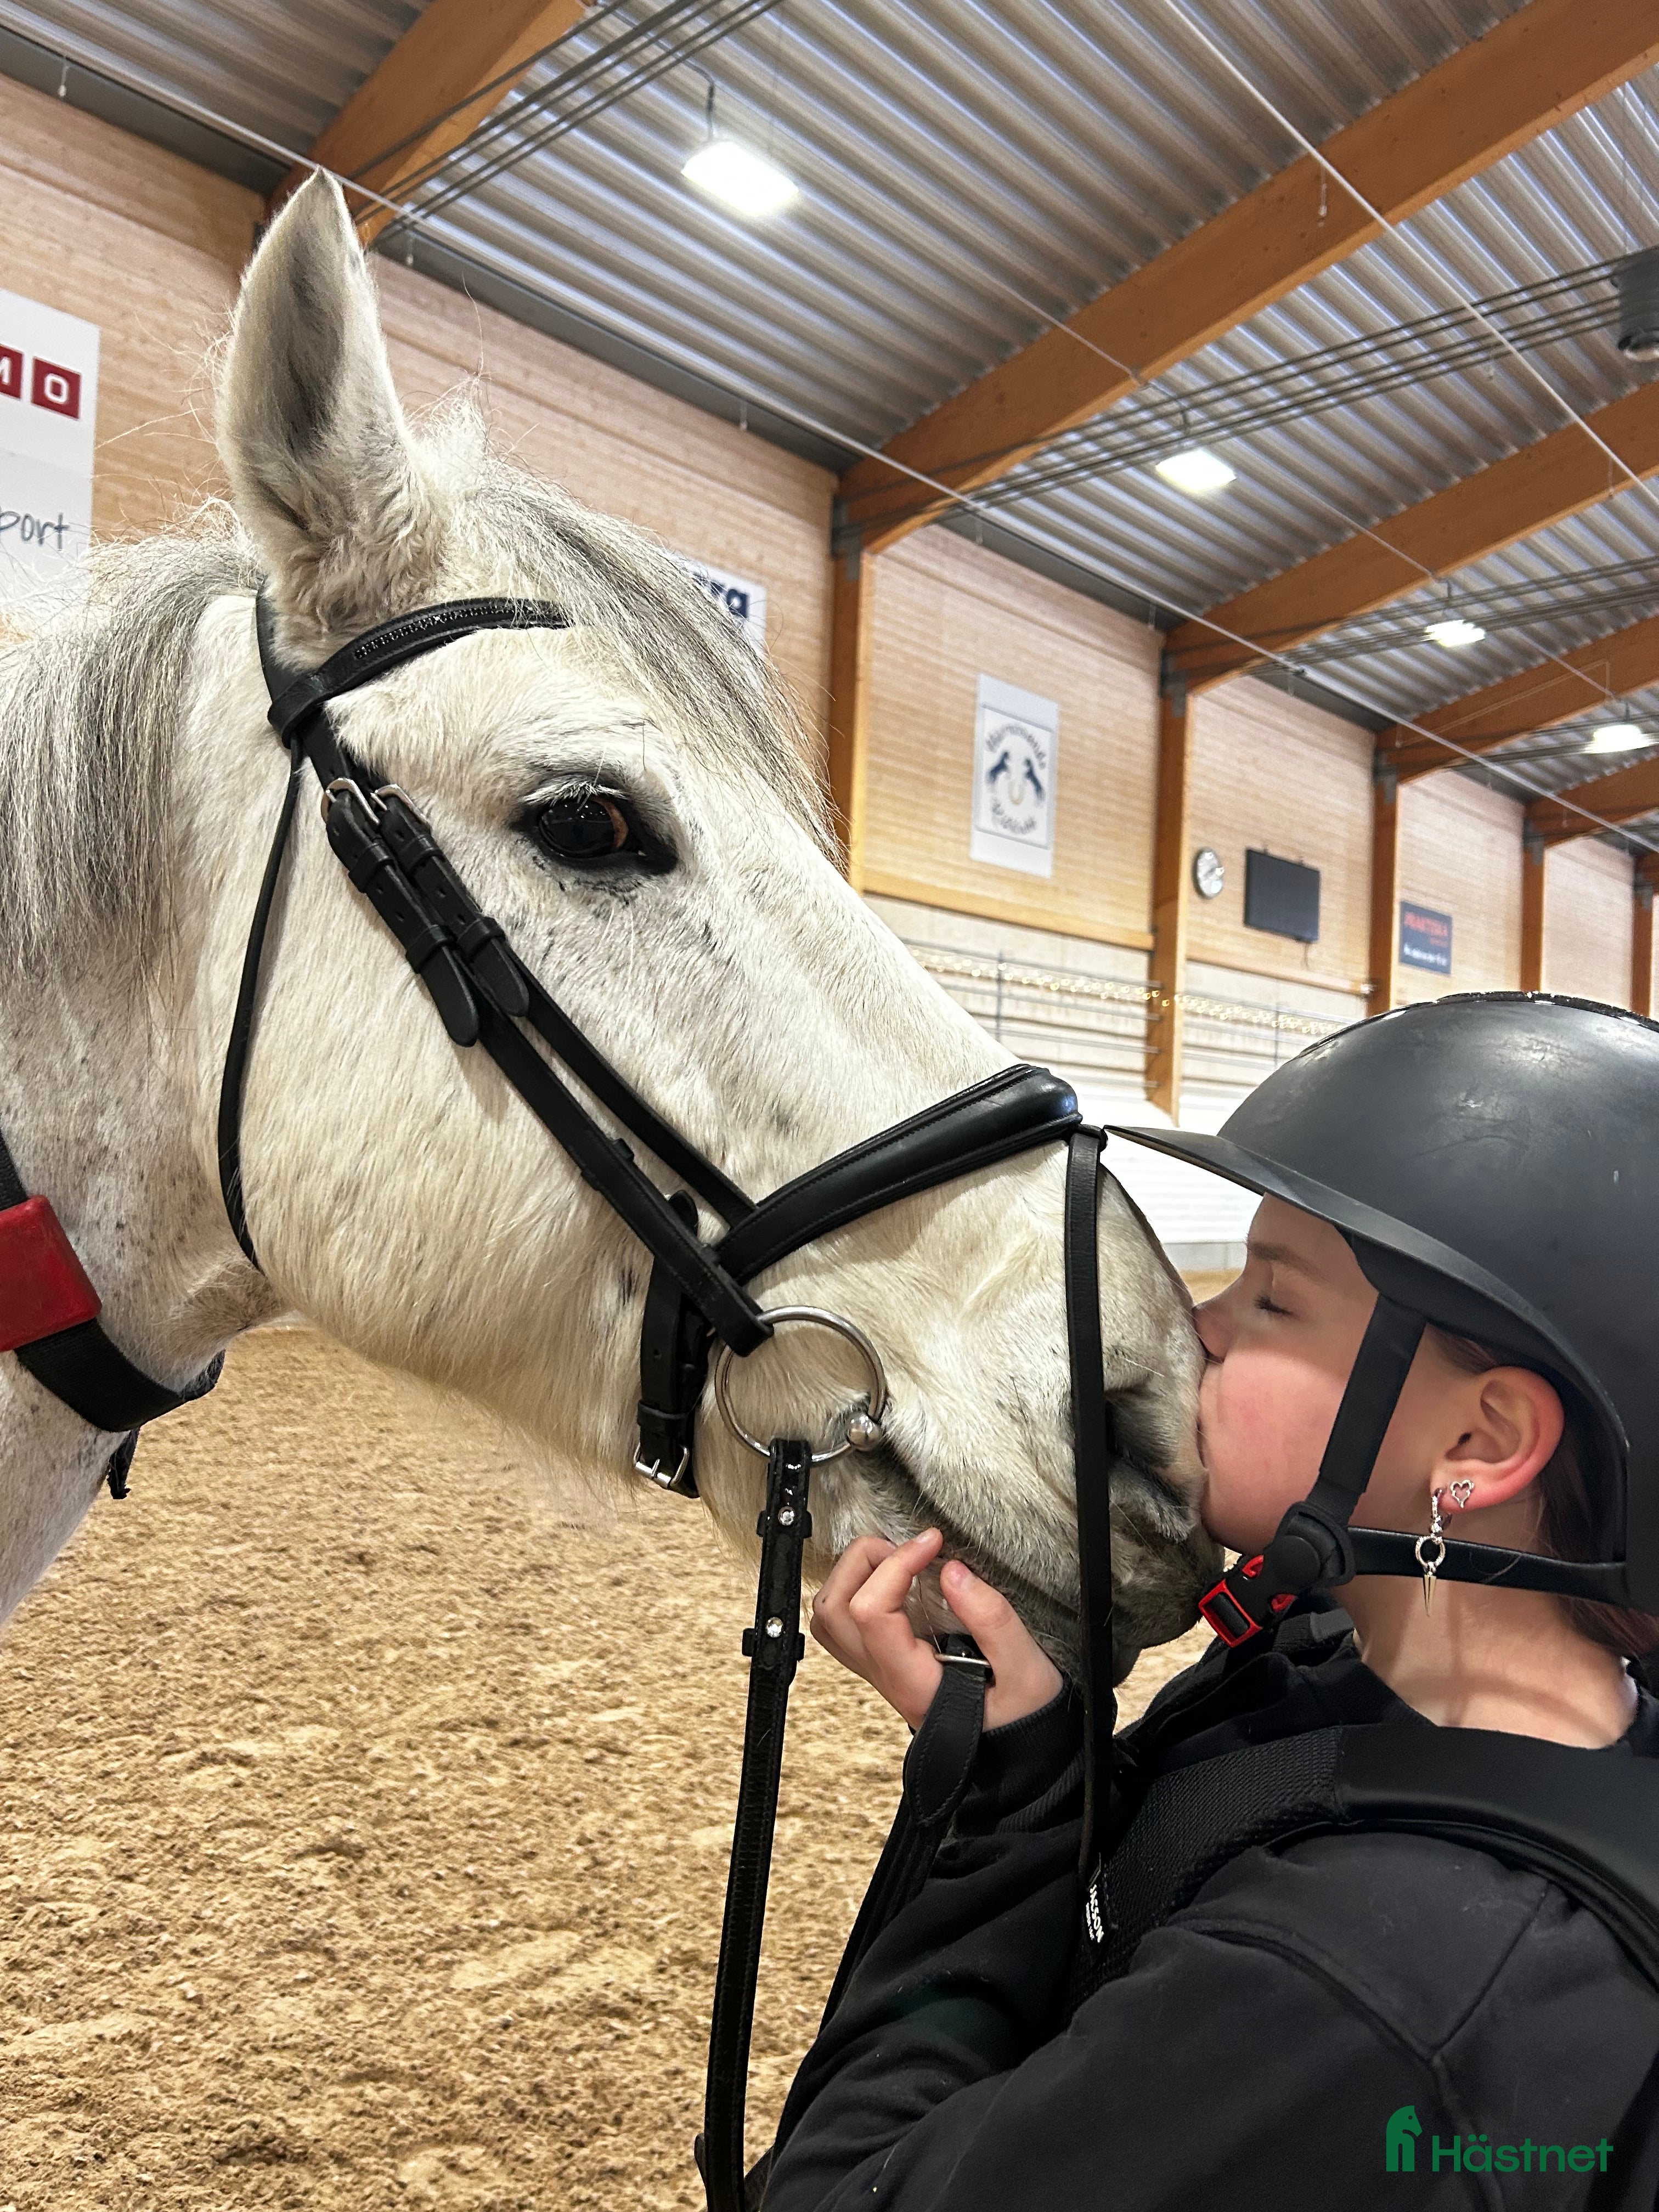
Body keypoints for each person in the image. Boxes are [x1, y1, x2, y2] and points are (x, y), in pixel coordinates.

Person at [761, 993, 1659, 2210]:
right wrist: (1030, 1761)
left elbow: (835, 2191)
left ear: (1480, 1439)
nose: (1200, 1325)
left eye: (1273, 1300)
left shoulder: (1357, 1995)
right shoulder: (1342, 1639)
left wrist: (992, 1827)